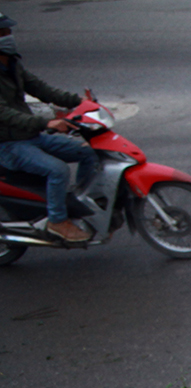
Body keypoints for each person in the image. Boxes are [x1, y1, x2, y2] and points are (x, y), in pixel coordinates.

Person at [0, 11, 98, 243]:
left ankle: (78, 203)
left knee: (89, 152)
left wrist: (79, 102)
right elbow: (5, 114)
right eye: (2, 33)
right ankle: (57, 221)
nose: (8, 36)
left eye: (7, 31)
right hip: (8, 144)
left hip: (31, 137)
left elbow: (42, 89)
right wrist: (47, 122)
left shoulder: (12, 64)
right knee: (57, 170)